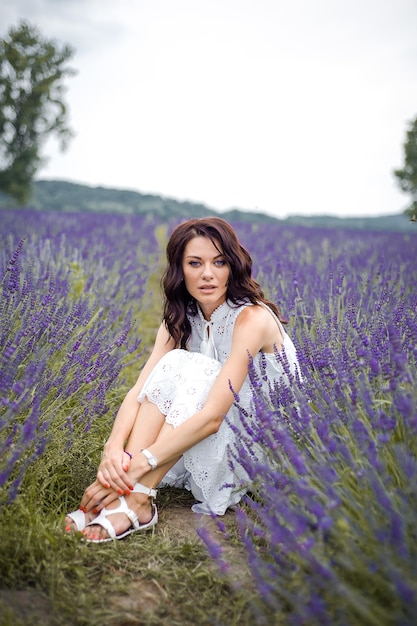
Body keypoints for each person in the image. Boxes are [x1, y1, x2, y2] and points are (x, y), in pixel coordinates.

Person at [65, 217, 300, 543]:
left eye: (219, 262)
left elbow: (213, 417)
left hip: (255, 448)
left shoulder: (252, 318)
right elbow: (140, 390)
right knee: (175, 364)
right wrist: (113, 450)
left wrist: (135, 469)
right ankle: (124, 494)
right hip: (201, 432)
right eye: (195, 263)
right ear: (180, 269)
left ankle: (136, 498)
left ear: (233, 266)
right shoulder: (181, 316)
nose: (208, 273)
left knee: (198, 369)